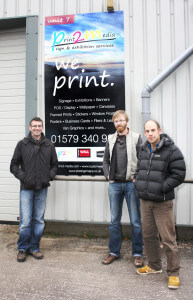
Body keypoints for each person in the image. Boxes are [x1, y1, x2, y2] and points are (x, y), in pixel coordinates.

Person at [135, 120, 186, 290]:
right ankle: (154, 266)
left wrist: (162, 188)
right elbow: (139, 170)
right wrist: (139, 184)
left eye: (153, 130)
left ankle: (173, 273)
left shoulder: (171, 150)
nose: (150, 134)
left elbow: (179, 173)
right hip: (146, 201)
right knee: (148, 235)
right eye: (147, 131)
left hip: (163, 202)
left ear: (159, 131)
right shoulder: (143, 149)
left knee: (168, 239)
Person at [10, 117, 58, 262]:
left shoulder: (49, 145)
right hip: (26, 188)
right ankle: (23, 249)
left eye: (39, 126)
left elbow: (55, 165)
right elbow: (13, 165)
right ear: (30, 128)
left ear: (42, 128)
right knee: (25, 221)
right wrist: (23, 177)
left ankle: (34, 248)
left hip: (42, 188)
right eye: (34, 126)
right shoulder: (22, 144)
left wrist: (49, 176)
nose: (37, 128)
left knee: (38, 220)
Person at [102, 110, 143, 267]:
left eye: (121, 120)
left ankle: (138, 254)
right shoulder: (111, 139)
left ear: (127, 121)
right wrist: (108, 176)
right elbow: (105, 161)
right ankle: (114, 252)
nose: (118, 123)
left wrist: (136, 177)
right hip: (114, 185)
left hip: (131, 184)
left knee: (136, 221)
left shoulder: (136, 138)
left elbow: (143, 160)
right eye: (116, 121)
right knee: (114, 221)